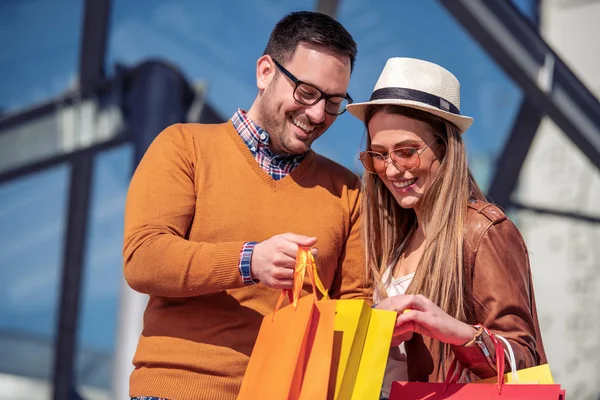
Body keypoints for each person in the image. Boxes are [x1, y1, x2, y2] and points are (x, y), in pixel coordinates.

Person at [122, 11, 370, 400]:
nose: (319, 114)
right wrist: (251, 261)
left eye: (334, 101)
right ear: (266, 72)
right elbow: (143, 258)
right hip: (179, 389)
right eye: (306, 93)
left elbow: (355, 306)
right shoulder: (184, 146)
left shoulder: (347, 190)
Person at [346, 57, 547, 398]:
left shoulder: (483, 231)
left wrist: (456, 332)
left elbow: (526, 365)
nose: (392, 170)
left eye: (407, 152)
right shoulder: (391, 237)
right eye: (378, 155)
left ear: (445, 148)